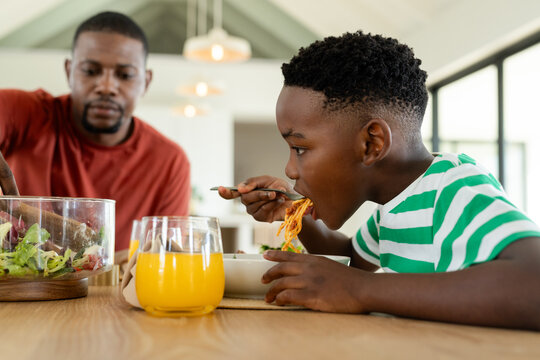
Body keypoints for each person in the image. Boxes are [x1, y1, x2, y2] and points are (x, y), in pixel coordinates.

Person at [217, 31, 540, 330]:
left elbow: (533, 281)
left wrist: (360, 290)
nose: (289, 169)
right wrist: (294, 213)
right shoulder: (394, 207)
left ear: (371, 144)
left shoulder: (454, 189)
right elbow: (352, 259)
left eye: (300, 148)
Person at [0, 12, 191, 253]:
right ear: (69, 71)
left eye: (125, 75)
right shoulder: (26, 112)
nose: (107, 87)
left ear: (146, 81)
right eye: (91, 71)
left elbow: (166, 256)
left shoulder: (170, 161)